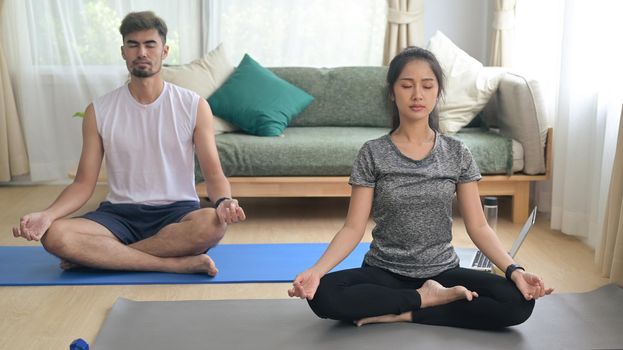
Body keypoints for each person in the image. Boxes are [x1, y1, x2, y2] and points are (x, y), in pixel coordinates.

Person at [288, 47, 553, 329]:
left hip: (443, 271)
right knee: (324, 296)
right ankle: (423, 299)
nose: (417, 95)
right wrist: (316, 271)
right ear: (392, 92)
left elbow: (478, 226)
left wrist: (514, 271)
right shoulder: (372, 153)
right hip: (384, 272)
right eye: (406, 85)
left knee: (518, 303)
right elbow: (353, 228)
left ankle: (408, 310)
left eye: (427, 86)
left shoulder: (456, 152)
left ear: (437, 92)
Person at [12, 11, 245, 275]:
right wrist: (47, 214)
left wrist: (224, 201)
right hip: (118, 215)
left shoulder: (193, 105)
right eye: (133, 45)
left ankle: (104, 257)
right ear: (123, 52)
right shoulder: (98, 111)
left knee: (212, 224)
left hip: (177, 212)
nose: (141, 52)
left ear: (165, 51)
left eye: (150, 44)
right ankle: (172, 264)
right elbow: (82, 184)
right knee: (55, 235)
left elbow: (214, 175)